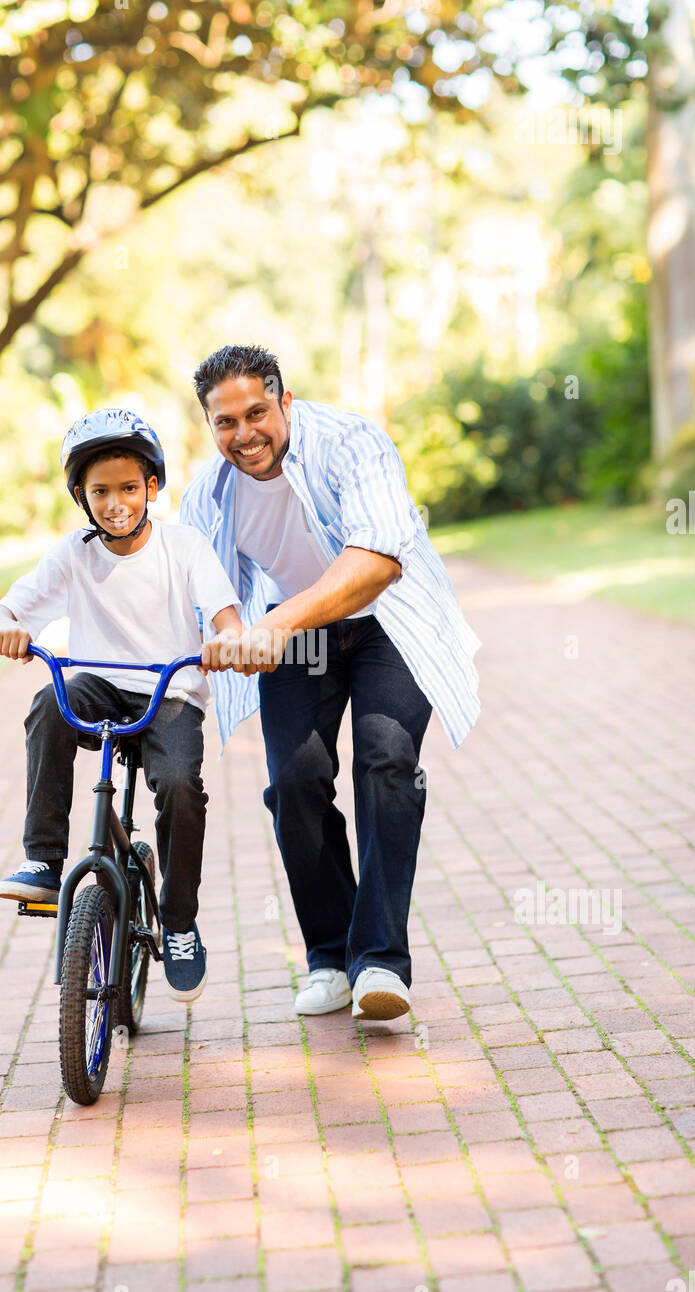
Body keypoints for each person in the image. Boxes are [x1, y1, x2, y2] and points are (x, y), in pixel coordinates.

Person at [180, 345, 481, 1022]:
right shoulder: (210, 495)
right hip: (295, 637)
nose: (244, 433)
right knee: (293, 784)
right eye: (225, 422)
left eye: (257, 412)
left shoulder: (354, 444)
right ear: (209, 425)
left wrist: (276, 625)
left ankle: (380, 961)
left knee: (386, 760)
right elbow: (209, 591)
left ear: (285, 402)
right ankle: (329, 956)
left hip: (388, 622)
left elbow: (377, 562)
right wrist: (229, 632)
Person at [0, 407, 243, 1004]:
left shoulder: (184, 548)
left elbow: (226, 616)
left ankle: (178, 921)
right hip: (98, 681)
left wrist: (228, 639)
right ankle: (44, 863)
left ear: (152, 487)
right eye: (100, 491)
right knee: (50, 702)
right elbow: (4, 611)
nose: (116, 502)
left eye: (129, 486)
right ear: (81, 496)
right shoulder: (74, 553)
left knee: (178, 784)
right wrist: (6, 629)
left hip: (169, 689)